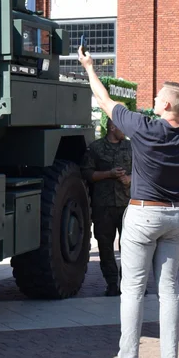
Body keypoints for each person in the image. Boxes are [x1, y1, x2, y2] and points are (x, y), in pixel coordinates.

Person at [78, 46, 179, 358]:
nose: (155, 99)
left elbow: (104, 100)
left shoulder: (144, 128)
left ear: (165, 105)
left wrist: (89, 67)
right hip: (175, 214)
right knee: (169, 290)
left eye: (158, 97)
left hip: (142, 212)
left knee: (133, 288)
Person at [80, 118, 132, 297]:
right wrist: (108, 174)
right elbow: (87, 173)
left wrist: (130, 179)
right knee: (105, 246)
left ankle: (129, 283)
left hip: (127, 205)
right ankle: (111, 283)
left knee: (131, 247)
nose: (125, 131)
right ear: (112, 127)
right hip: (103, 205)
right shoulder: (96, 148)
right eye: (122, 127)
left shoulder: (131, 147)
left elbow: (144, 171)